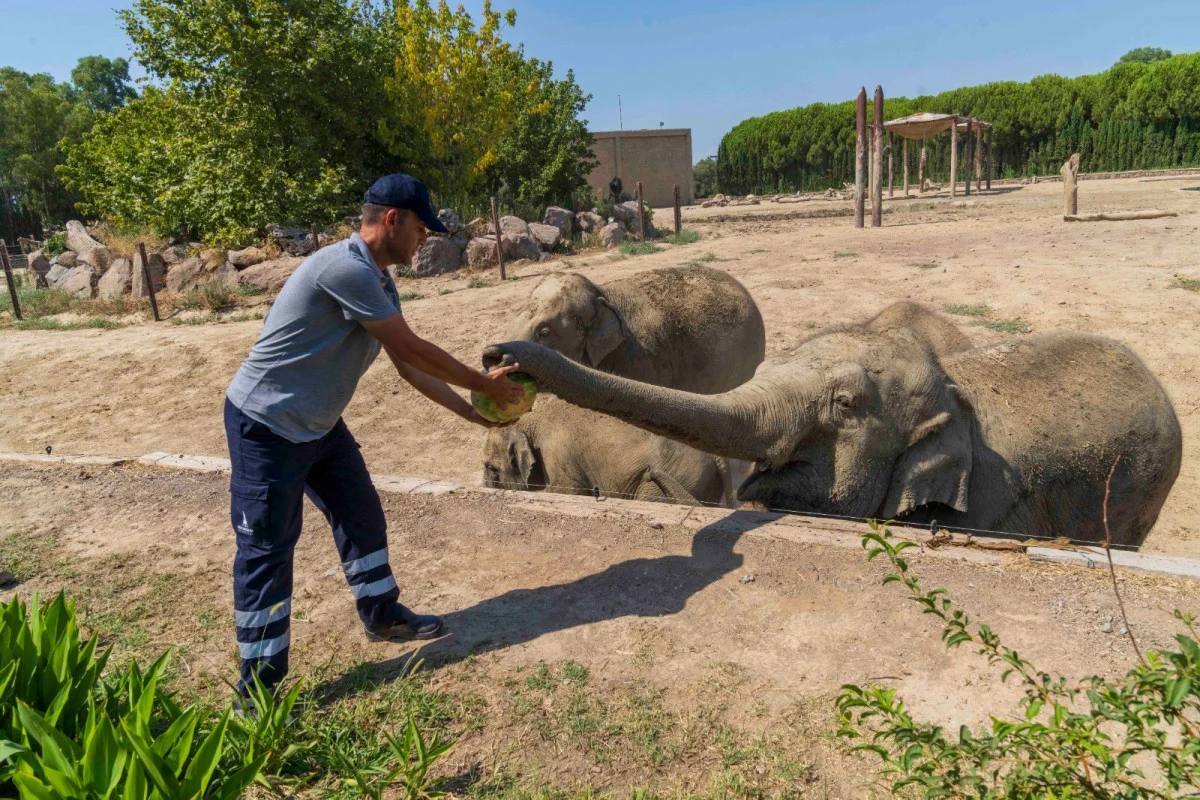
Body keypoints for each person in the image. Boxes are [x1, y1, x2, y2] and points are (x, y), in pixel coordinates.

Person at [224, 173, 524, 694]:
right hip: (267, 425)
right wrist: (484, 384)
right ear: (393, 220)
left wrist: (475, 413)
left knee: (361, 513)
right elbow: (412, 350)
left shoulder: (379, 281)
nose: (424, 239)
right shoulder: (346, 269)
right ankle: (260, 693)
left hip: (317, 424)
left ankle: (381, 614)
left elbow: (409, 368)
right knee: (267, 551)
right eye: (420, 229)